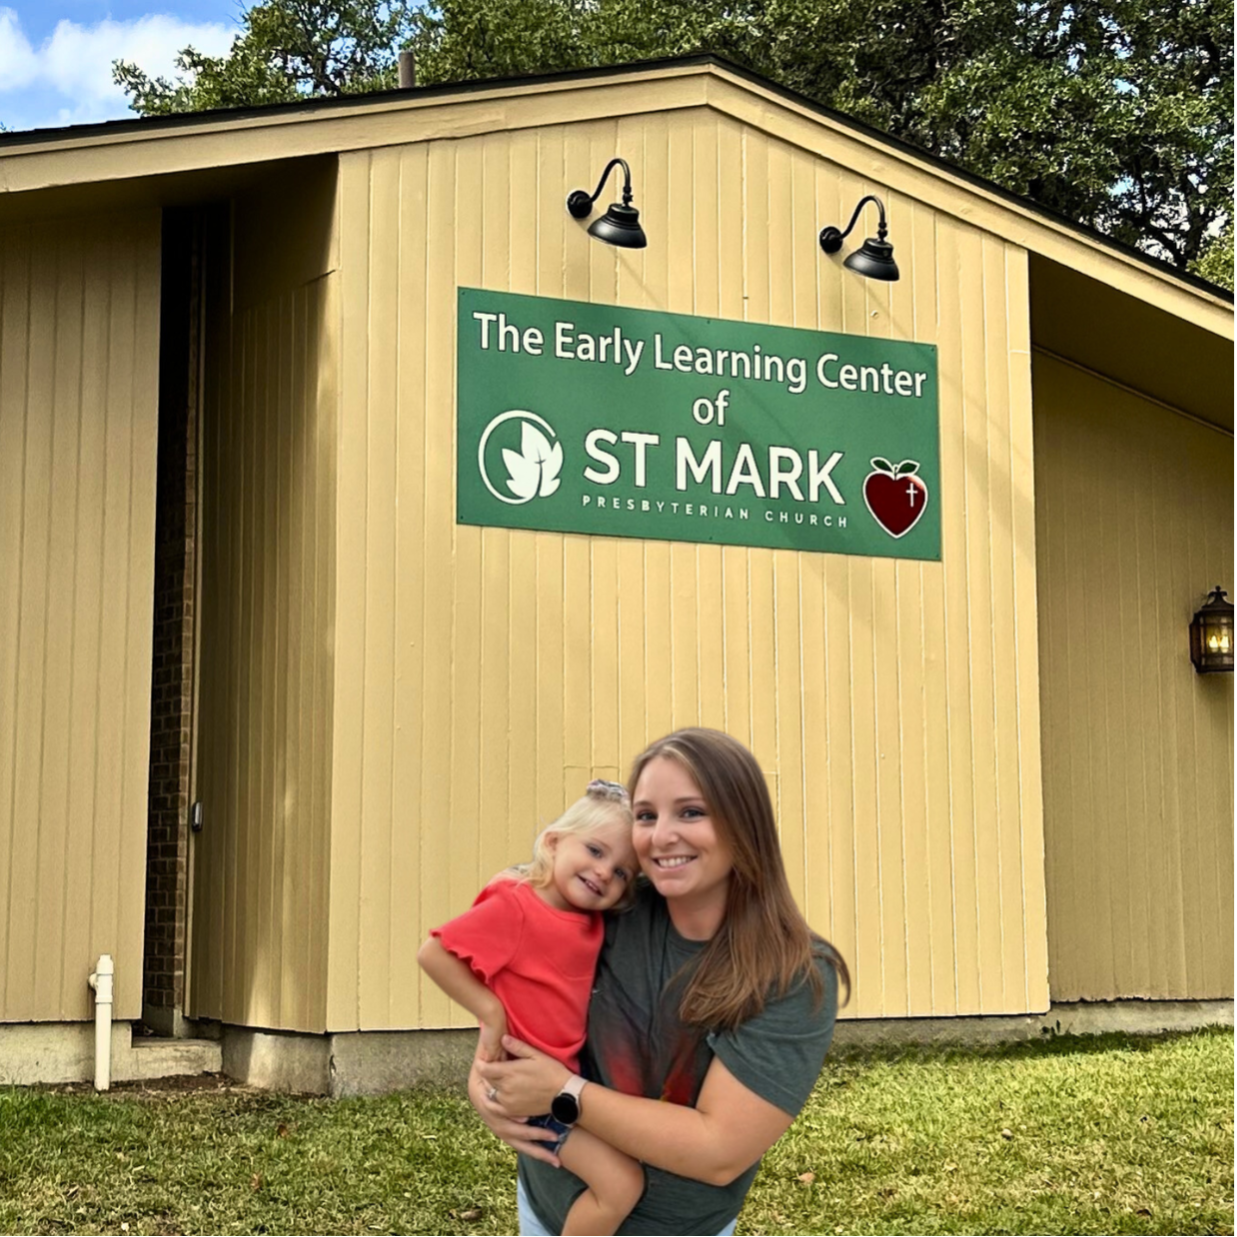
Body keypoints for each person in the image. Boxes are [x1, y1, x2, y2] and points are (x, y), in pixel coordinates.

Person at [472, 728, 850, 1237]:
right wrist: (487, 1081)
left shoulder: (792, 974)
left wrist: (561, 1093)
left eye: (690, 812)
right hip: (546, 1202)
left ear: (744, 823)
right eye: (646, 816)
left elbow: (719, 1152)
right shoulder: (610, 904)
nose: (661, 836)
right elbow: (514, 938)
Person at [418, 780, 646, 1237]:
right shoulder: (517, 905)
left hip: (565, 1075)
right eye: (595, 850)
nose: (604, 872)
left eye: (622, 872)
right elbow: (433, 954)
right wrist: (491, 1014)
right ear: (554, 842)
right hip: (528, 1085)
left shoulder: (590, 919)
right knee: (621, 1185)